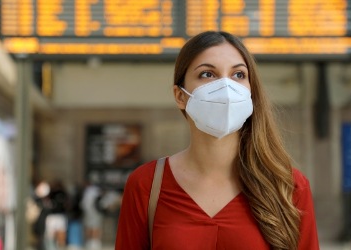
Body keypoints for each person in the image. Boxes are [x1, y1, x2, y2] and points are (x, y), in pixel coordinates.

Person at [115, 31, 319, 250]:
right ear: (180, 96)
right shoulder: (146, 185)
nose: (226, 88)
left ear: (251, 92)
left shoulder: (288, 186)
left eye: (238, 75)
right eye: (207, 74)